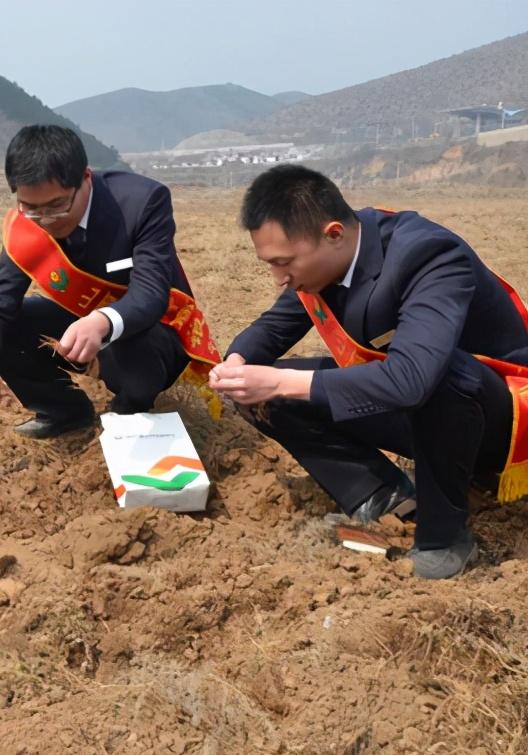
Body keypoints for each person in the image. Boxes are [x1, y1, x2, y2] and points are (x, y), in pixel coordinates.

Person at [210, 164, 528, 579]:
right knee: (272, 394)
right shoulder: (323, 265)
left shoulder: (427, 255)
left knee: (441, 372)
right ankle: (384, 498)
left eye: (284, 262)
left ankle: (444, 537)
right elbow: (273, 328)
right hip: (421, 411)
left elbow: (415, 378)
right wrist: (237, 364)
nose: (277, 278)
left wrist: (283, 381)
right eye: (270, 263)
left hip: (499, 421)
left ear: (334, 234)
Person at [0, 125, 220, 438]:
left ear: (85, 178)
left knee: (133, 352)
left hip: (152, 332)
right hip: (82, 326)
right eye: (31, 208)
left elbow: (152, 294)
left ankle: (128, 410)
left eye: (58, 205)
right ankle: (64, 411)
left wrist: (101, 321)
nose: (45, 220)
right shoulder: (25, 226)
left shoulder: (142, 202)